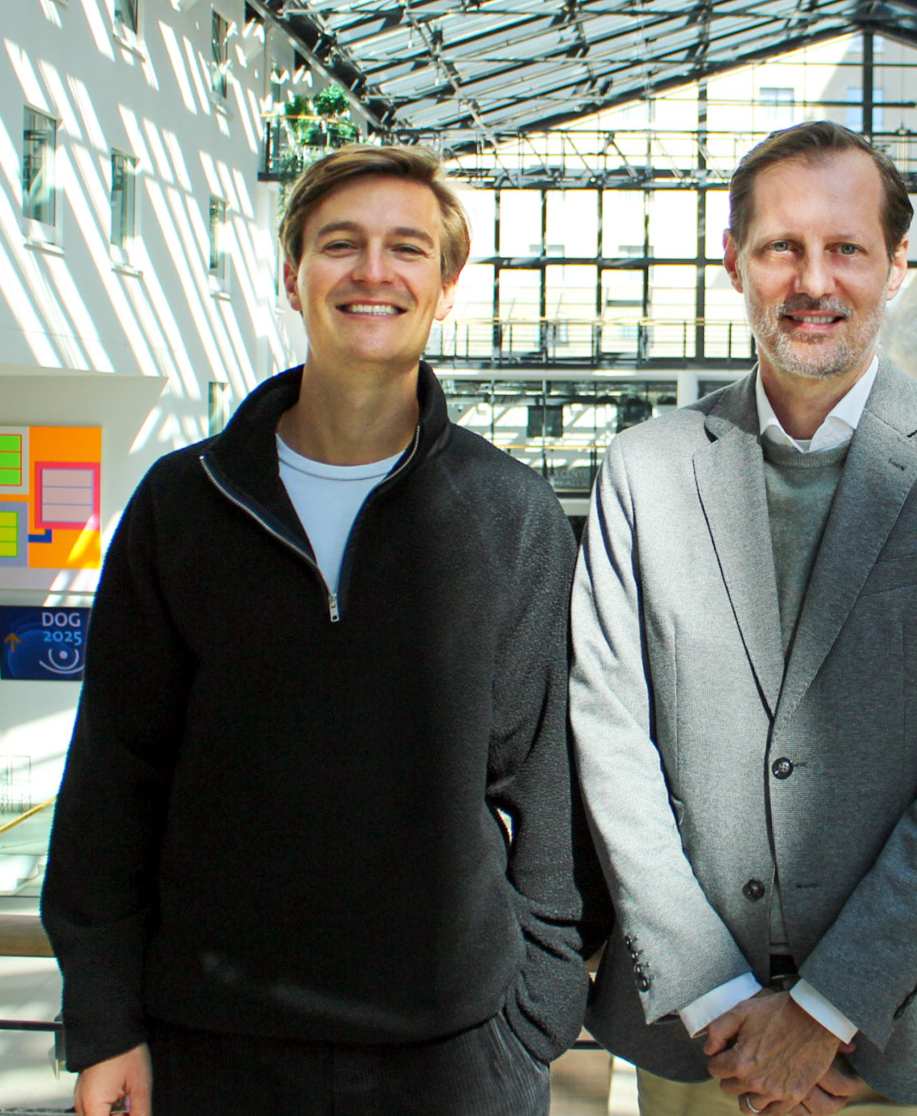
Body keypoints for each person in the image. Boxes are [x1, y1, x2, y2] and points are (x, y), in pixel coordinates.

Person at [42, 145, 589, 1116]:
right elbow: (111, 786)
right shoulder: (185, 504)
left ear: (444, 287)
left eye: (406, 249)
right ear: (290, 276)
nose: (373, 272)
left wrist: (533, 1023)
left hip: (452, 1062)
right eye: (342, 245)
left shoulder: (510, 517)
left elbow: (544, 795)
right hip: (212, 1050)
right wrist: (107, 1023)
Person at [570, 120, 917, 1116]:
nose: (814, 279)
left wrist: (830, 1004)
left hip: (907, 1034)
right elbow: (610, 739)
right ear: (734, 263)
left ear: (898, 265)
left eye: (846, 249)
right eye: (782, 247)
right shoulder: (644, 468)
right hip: (701, 1037)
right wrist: (718, 992)